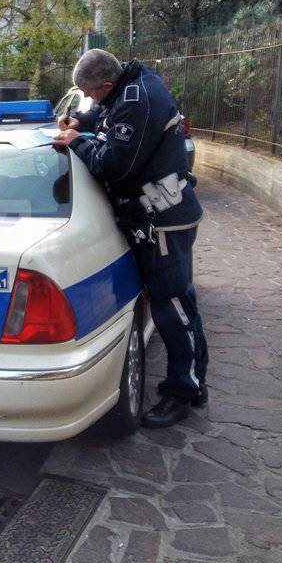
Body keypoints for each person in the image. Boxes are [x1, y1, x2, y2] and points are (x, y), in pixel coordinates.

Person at [53, 49, 209, 429]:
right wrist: (82, 120)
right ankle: (193, 380)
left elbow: (114, 165)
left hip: (164, 219)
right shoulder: (130, 88)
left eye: (91, 94)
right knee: (176, 302)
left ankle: (183, 391)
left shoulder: (138, 99)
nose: (90, 100)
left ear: (107, 83)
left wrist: (75, 140)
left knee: (171, 305)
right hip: (160, 215)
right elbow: (108, 118)